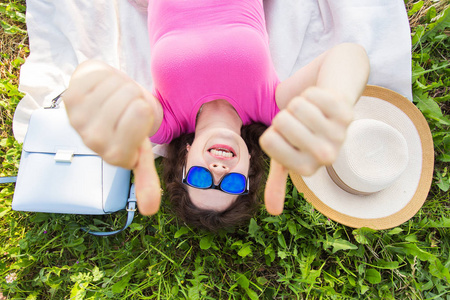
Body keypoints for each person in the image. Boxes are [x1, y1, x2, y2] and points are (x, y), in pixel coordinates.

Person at [63, 0, 370, 231]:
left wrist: (91, 95)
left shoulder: (165, 123)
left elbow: (94, 76)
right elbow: (349, 55)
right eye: (232, 184)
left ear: (185, 158)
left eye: (200, 178)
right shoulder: (271, 108)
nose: (218, 170)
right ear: (249, 167)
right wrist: (336, 103)